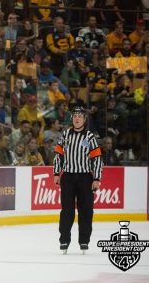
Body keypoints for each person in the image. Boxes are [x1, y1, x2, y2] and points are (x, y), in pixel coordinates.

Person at [53, 106, 103, 254]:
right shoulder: (65, 134)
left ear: (84, 119)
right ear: (72, 118)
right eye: (75, 116)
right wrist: (56, 173)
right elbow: (58, 155)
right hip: (67, 177)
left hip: (85, 178)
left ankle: (84, 241)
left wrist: (97, 178)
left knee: (86, 211)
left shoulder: (89, 137)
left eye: (80, 116)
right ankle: (64, 240)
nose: (77, 118)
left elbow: (97, 159)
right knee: (67, 211)